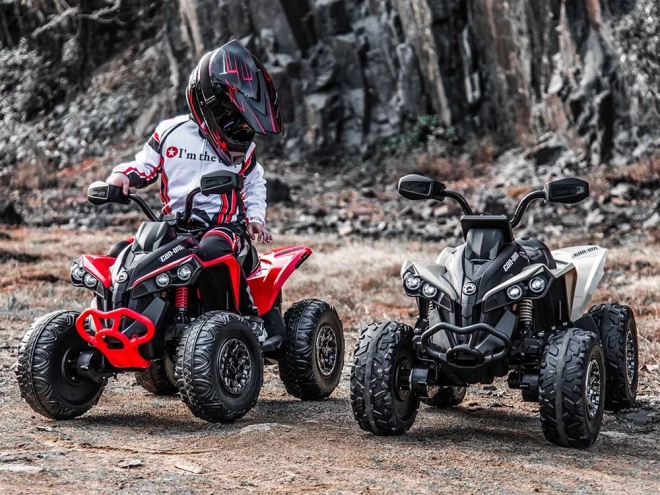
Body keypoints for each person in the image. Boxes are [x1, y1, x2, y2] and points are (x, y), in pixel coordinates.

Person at [105, 39, 284, 337]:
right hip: (175, 226)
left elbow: (254, 183)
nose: (240, 130)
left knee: (211, 248)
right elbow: (144, 165)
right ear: (206, 104)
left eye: (244, 124)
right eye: (232, 120)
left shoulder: (245, 151)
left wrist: (255, 218)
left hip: (225, 228)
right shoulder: (170, 132)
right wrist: (121, 176)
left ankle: (245, 320)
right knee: (123, 251)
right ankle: (118, 326)